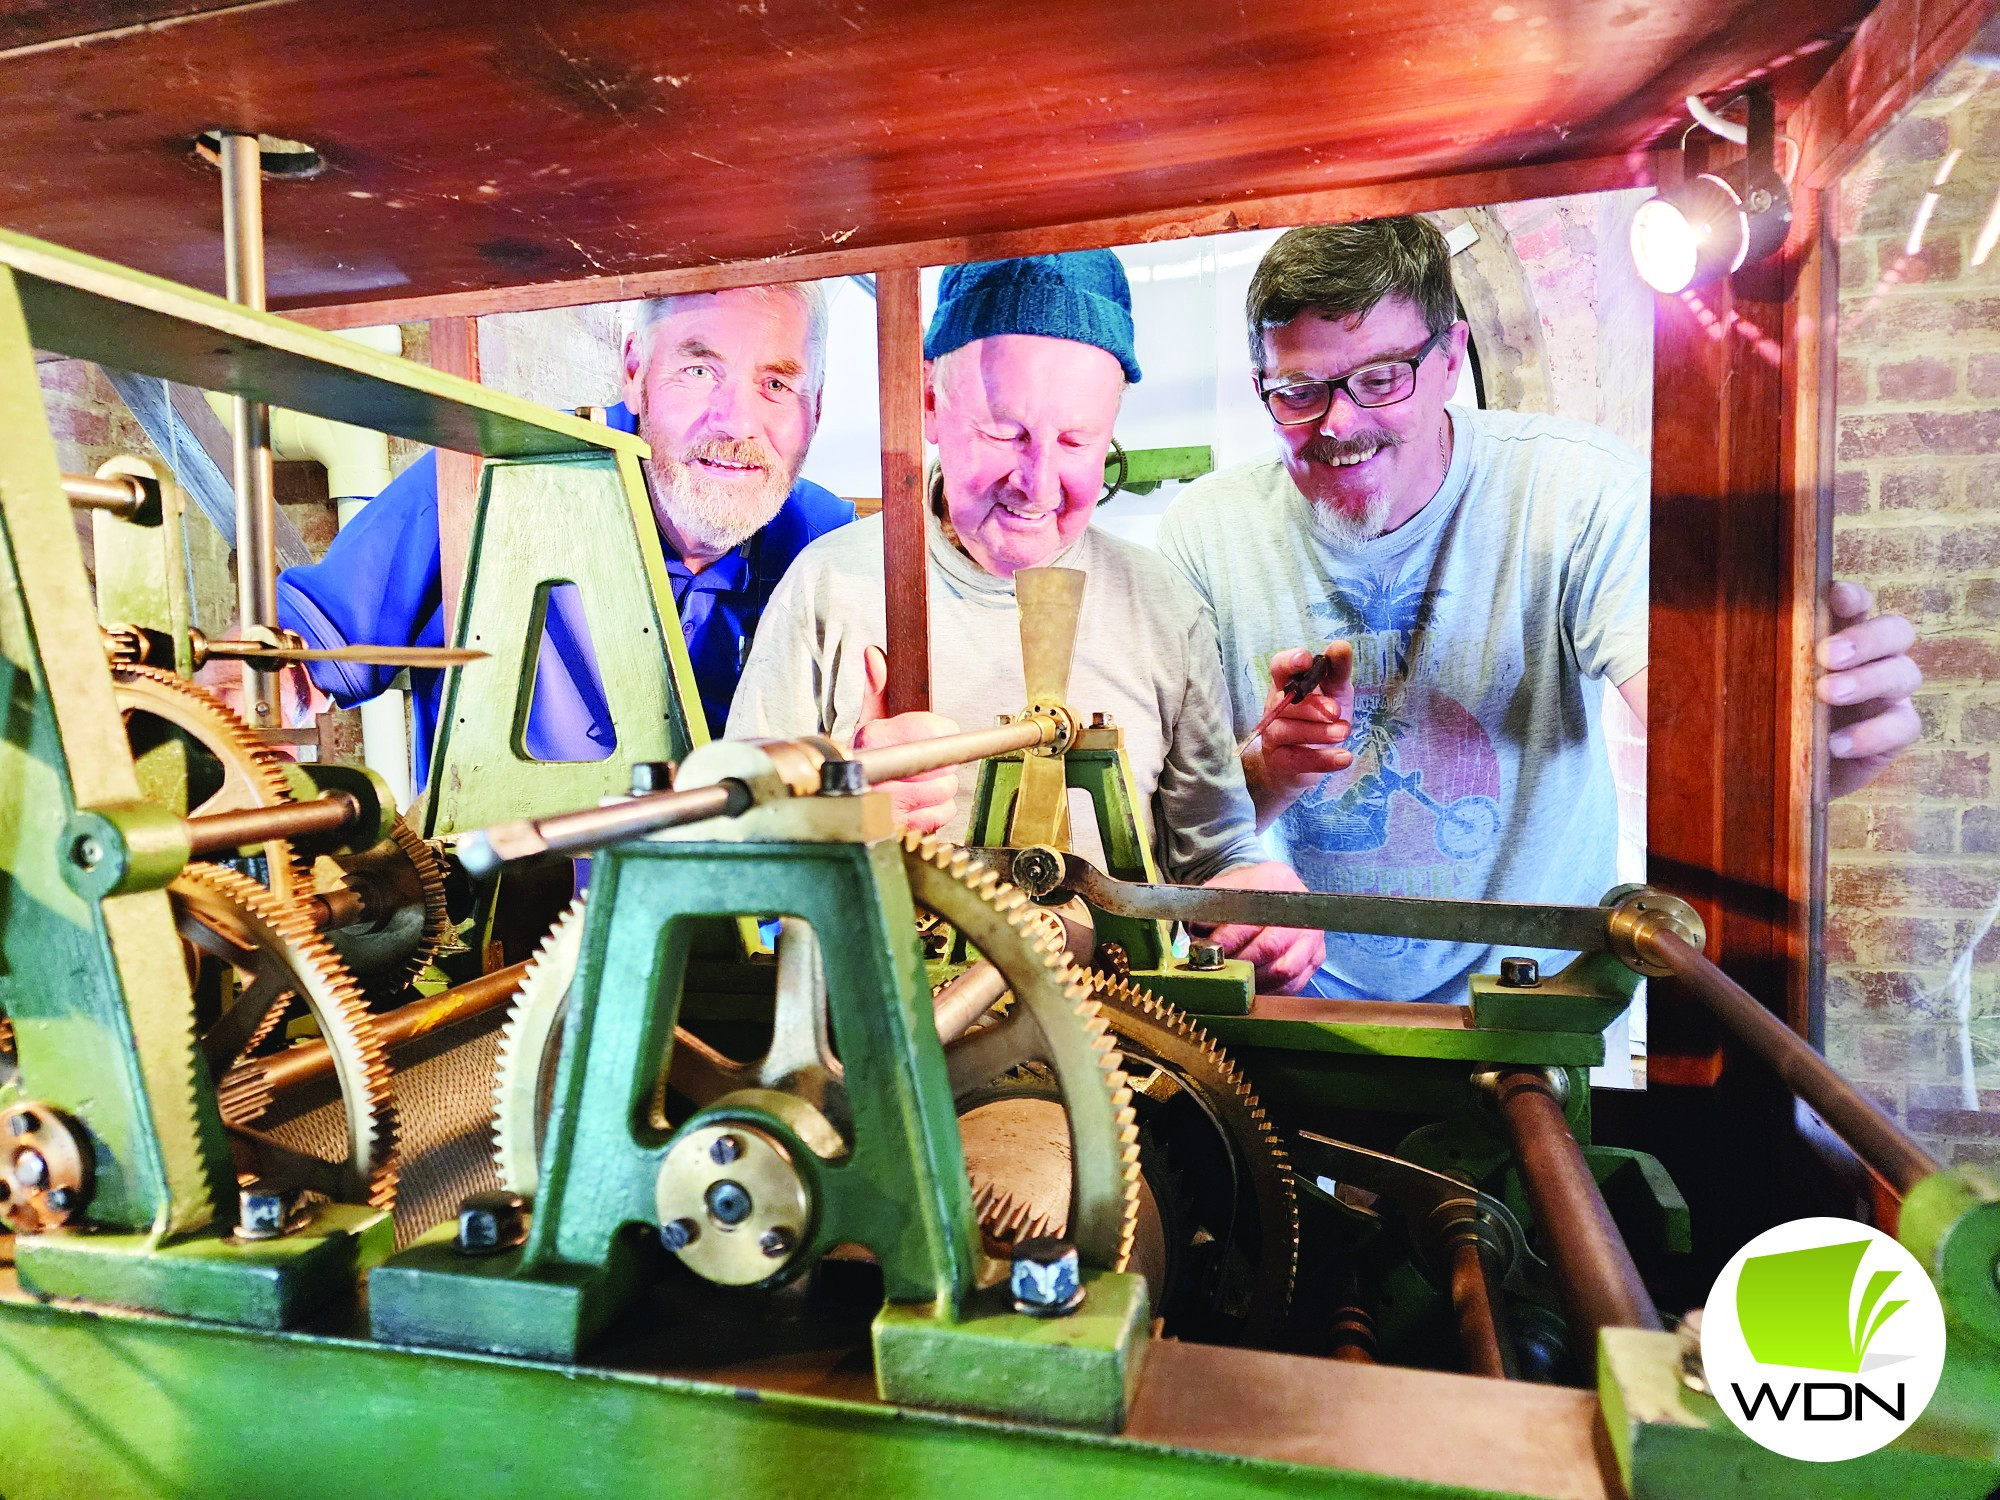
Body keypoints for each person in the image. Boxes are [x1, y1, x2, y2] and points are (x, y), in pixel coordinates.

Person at [1159, 216, 1923, 1004]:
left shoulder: (1575, 493)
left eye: (1382, 378)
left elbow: (1698, 732)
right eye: (1299, 391)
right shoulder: (1205, 532)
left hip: (1541, 1003)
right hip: (1296, 1002)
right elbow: (1186, 811)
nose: (1339, 423)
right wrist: (1266, 774)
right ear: (1263, 389)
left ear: (1450, 358)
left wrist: (1784, 757)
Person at [728, 252, 1323, 993]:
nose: (1038, 484)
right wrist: (830, 819)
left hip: (1117, 1050)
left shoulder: (1165, 609)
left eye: (1076, 442)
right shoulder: (831, 588)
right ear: (930, 406)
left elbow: (1209, 853)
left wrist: (1256, 902)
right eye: (1007, 433)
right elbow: (730, 847)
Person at [276, 282, 854, 788]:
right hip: (504, 902)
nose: (736, 422)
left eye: (777, 384)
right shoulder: (485, 483)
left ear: (818, 406)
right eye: (699, 371)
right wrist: (257, 689)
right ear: (634, 372)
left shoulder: (826, 544)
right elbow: (295, 656)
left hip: (737, 904)